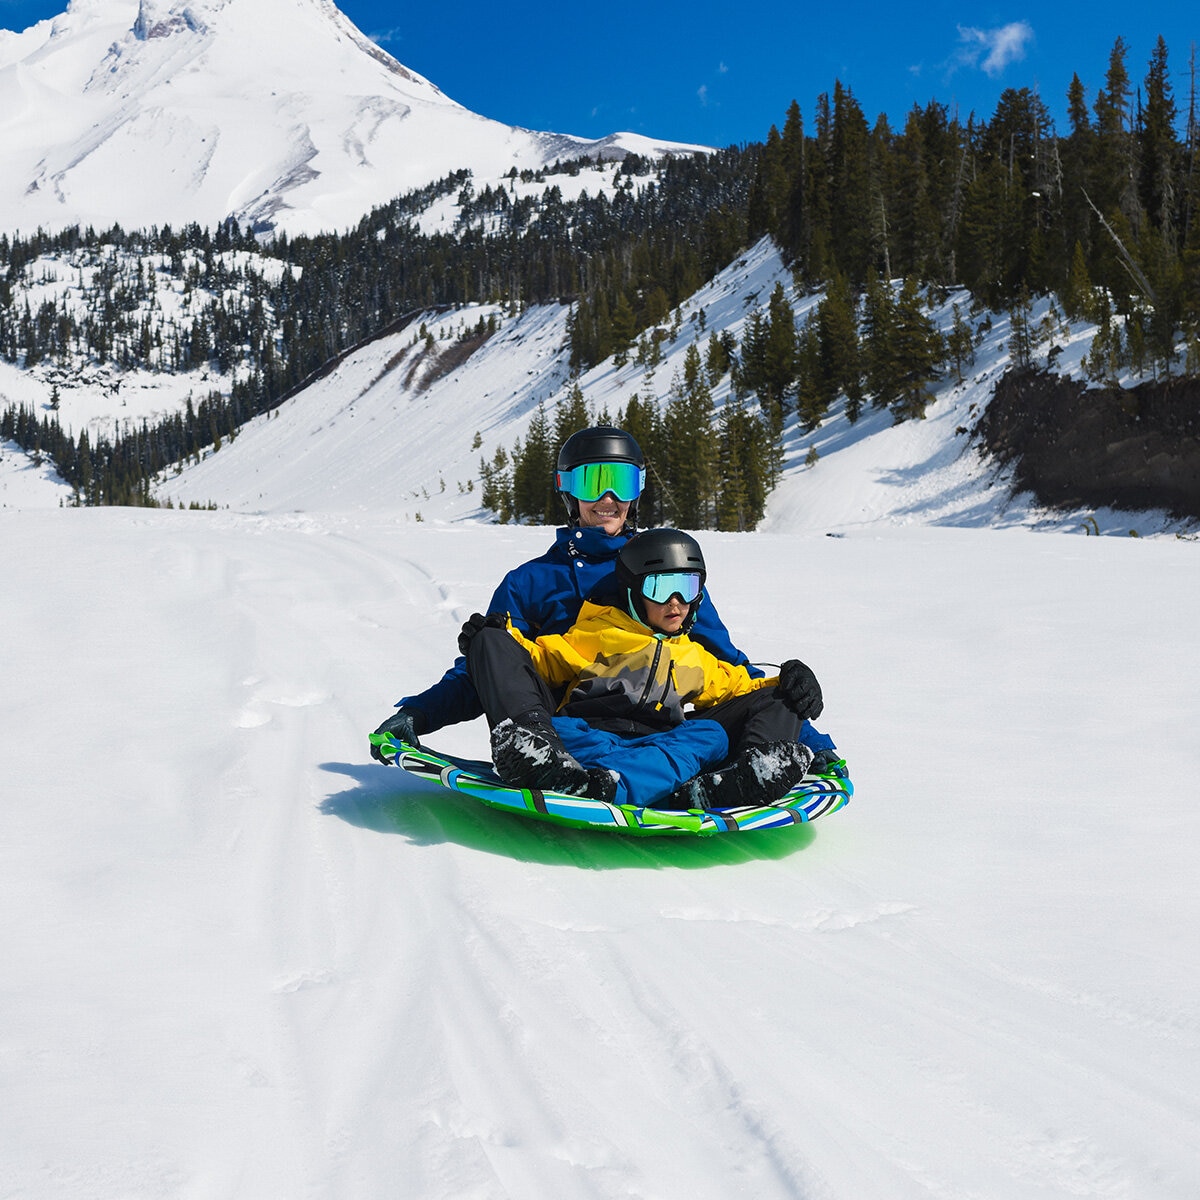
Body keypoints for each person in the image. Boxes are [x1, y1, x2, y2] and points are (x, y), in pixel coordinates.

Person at [371, 425, 838, 790]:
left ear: (637, 491)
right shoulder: (532, 582)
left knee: (765, 696)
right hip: (567, 732)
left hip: (661, 728)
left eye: (620, 482)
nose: (608, 499)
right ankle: (534, 753)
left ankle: (752, 770)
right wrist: (420, 714)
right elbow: (493, 670)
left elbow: (726, 668)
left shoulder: (668, 573)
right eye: (594, 482)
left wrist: (805, 731)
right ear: (569, 490)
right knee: (491, 639)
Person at [460, 528, 824, 810]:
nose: (676, 603)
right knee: (544, 706)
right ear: (634, 590)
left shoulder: (695, 656)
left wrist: (790, 683)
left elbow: (743, 688)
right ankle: (535, 755)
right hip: (587, 741)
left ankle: (745, 776)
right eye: (661, 588)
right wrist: (495, 639)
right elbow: (538, 660)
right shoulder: (597, 634)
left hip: (658, 747)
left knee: (711, 734)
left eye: (687, 587)